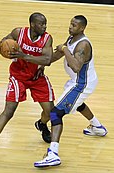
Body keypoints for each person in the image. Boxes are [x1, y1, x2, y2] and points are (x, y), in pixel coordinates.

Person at [0, 12, 55, 167]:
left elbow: (47, 60)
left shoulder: (47, 38)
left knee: (51, 112)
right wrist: (3, 46)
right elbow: (5, 41)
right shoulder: (18, 33)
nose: (45, 26)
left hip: (36, 77)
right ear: (33, 25)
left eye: (46, 23)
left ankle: (41, 124)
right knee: (9, 111)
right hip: (18, 76)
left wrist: (24, 56)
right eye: (42, 24)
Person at [34, 15, 108, 168]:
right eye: (70, 24)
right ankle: (97, 127)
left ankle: (53, 154)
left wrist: (65, 48)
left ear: (82, 28)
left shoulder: (83, 45)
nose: (70, 27)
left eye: (74, 25)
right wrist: (45, 63)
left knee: (55, 113)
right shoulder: (72, 38)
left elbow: (75, 66)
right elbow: (60, 53)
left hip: (82, 84)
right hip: (77, 82)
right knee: (77, 104)